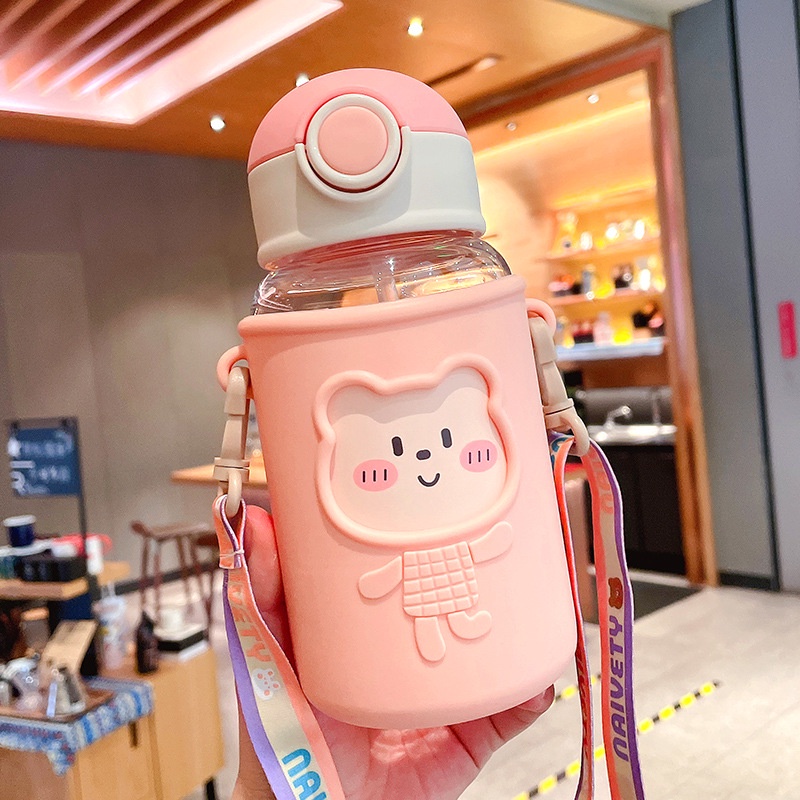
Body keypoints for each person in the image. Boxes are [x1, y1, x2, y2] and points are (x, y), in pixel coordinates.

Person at [232, 506, 555, 800]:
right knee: (428, 625)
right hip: (347, 712)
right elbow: (387, 576)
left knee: (451, 620)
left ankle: (463, 625)